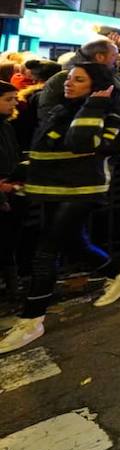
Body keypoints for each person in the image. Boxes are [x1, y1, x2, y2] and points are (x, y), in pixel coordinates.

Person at [0, 63, 120, 354]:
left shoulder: (109, 113)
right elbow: (46, 149)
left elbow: (81, 142)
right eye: (69, 78)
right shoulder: (63, 110)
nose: (69, 84)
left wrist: (95, 104)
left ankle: (32, 320)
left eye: (79, 80)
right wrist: (17, 174)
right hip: (54, 187)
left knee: (45, 251)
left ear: (99, 86)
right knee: (76, 243)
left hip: (83, 190)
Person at [38, 38, 120, 126]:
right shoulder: (61, 78)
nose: (119, 58)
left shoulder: (114, 76)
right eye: (114, 55)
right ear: (100, 57)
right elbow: (47, 113)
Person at [0, 83, 23, 313]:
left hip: (11, 189)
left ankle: (13, 286)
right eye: (9, 99)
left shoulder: (6, 126)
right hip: (3, 192)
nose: (15, 103)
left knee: (8, 241)